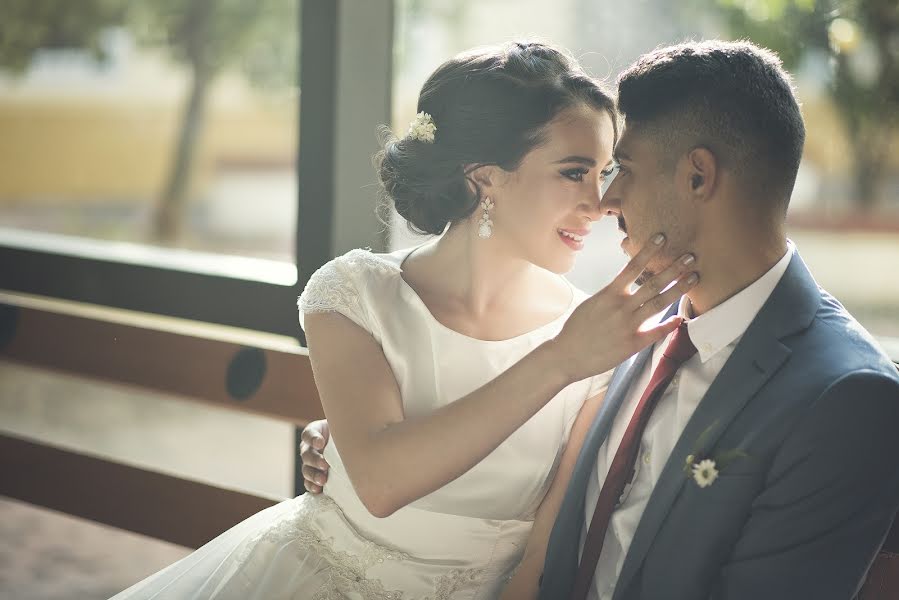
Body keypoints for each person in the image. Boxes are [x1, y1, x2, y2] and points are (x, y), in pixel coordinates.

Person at [302, 40, 899, 600]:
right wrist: (355, 431)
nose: (604, 203)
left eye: (622, 170)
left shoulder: (845, 397)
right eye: (578, 172)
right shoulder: (622, 328)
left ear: (698, 176)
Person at [110, 41, 698, 600]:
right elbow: (383, 484)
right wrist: (560, 361)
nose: (598, 204)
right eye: (574, 172)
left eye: (603, 174)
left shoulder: (587, 329)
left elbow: (546, 542)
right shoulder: (353, 292)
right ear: (484, 175)